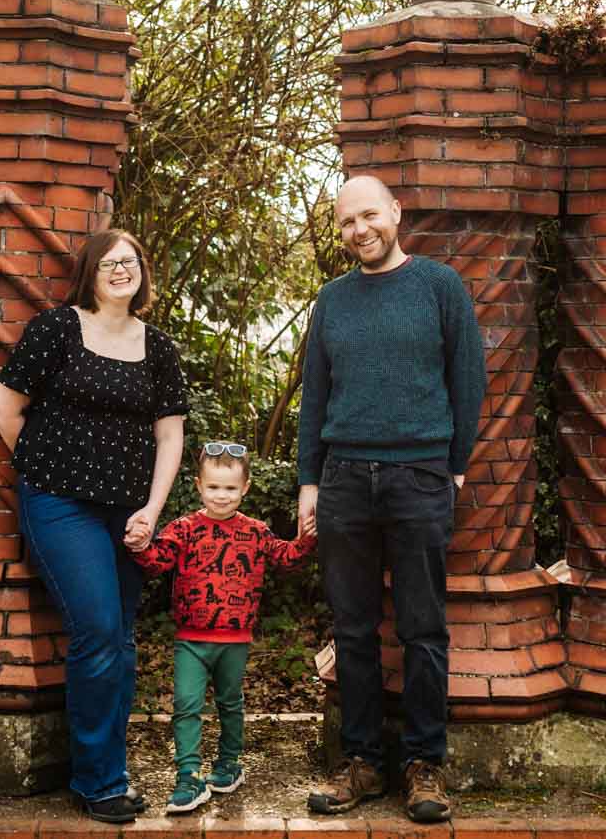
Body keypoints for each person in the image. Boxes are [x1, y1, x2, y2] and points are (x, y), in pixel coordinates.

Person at [296, 175, 487, 823]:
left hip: (419, 477)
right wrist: (309, 483)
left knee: (421, 628)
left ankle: (424, 765)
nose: (359, 230)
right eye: (347, 222)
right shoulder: (332, 299)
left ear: (395, 213)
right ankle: (361, 761)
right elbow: (314, 397)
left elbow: (468, 379)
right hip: (344, 480)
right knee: (352, 628)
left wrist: (453, 468)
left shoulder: (439, 287)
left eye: (368, 215)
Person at [0, 228, 189, 824]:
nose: (121, 270)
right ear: (90, 273)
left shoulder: (158, 346)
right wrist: (44, 470)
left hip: (128, 512)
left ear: (142, 271)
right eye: (109, 263)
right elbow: (5, 408)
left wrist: (152, 510)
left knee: (120, 641)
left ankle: (109, 771)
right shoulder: (57, 329)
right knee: (99, 631)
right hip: (62, 507)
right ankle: (98, 782)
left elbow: (170, 435)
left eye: (130, 260)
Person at [128, 440, 317, 814]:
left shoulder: (256, 532)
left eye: (230, 488)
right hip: (191, 640)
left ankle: (229, 764)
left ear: (245, 488)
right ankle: (188, 777)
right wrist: (138, 545)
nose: (221, 495)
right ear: (199, 485)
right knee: (186, 705)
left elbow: (287, 558)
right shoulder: (184, 529)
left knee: (230, 703)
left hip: (235, 639)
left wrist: (307, 539)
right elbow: (156, 562)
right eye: (213, 486)